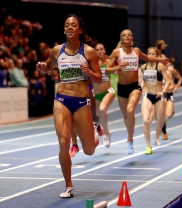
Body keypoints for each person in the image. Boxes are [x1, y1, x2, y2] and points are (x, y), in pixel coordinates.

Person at [36, 14, 102, 198]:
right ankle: (69, 186)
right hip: (62, 99)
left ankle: (94, 137)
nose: (70, 27)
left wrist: (88, 72)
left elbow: (99, 78)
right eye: (67, 25)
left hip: (81, 102)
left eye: (74, 25)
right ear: (64, 30)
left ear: (79, 30)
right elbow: (49, 66)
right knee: (63, 142)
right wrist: (43, 67)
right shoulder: (57, 50)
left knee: (89, 150)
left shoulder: (88, 52)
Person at [106, 29, 169, 154]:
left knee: (130, 110)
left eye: (129, 35)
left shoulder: (137, 51)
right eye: (124, 35)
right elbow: (107, 70)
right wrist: (118, 67)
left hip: (135, 86)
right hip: (122, 87)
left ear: (132, 38)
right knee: (126, 116)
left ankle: (129, 140)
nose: (127, 36)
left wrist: (160, 60)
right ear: (121, 38)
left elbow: (148, 58)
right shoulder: (116, 52)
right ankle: (130, 136)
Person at [140, 46, 170, 154]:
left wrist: (163, 91)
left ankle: (157, 137)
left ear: (156, 55)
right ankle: (148, 146)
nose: (151, 56)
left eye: (153, 54)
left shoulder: (160, 66)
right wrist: (140, 88)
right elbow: (143, 81)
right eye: (149, 54)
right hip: (147, 95)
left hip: (159, 96)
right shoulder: (143, 67)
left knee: (160, 122)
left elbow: (168, 81)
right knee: (145, 120)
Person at [92, 42, 115, 147]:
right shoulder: (92, 64)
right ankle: (107, 131)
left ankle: (105, 134)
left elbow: (116, 71)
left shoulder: (109, 62)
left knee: (102, 109)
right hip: (96, 94)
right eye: (97, 50)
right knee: (98, 116)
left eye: (101, 49)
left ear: (104, 51)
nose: (100, 51)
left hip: (108, 91)